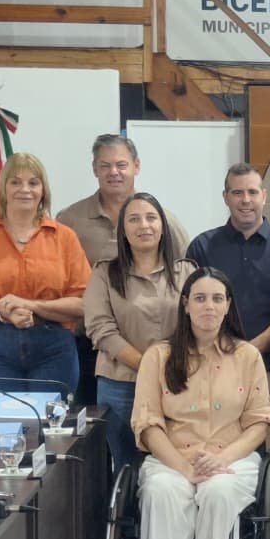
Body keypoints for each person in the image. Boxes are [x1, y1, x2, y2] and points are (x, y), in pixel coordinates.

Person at [131, 267, 270, 539]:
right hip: (171, 457)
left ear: (228, 306)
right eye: (199, 298)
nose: (208, 306)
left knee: (218, 491)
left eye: (216, 298)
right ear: (185, 305)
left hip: (232, 457)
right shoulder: (158, 357)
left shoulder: (246, 357)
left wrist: (222, 459)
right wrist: (182, 466)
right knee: (162, 492)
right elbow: (147, 424)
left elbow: (259, 422)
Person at [59, 135, 191, 406]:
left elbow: (187, 278)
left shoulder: (164, 220)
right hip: (92, 346)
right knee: (95, 436)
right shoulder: (70, 220)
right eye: (105, 165)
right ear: (95, 169)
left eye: (121, 164)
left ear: (136, 166)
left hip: (165, 354)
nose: (114, 172)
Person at [0, 152, 90, 397]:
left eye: (33, 182)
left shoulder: (64, 237)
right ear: (3, 189)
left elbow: (83, 304)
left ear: (43, 190)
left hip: (53, 347)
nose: (25, 189)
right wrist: (2, 313)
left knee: (49, 427)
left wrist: (30, 305)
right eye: (15, 182)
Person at [186, 162, 270, 454]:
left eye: (252, 192)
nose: (246, 200)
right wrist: (228, 357)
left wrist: (247, 351)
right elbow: (191, 308)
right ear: (225, 197)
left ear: (264, 196)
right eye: (237, 193)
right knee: (217, 454)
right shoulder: (202, 247)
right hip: (211, 370)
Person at [84, 192, 195, 473]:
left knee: (174, 464)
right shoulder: (104, 274)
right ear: (123, 230)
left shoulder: (187, 273)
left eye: (151, 218)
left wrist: (171, 367)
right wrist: (150, 366)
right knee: (127, 468)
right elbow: (101, 330)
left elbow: (201, 325)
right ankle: (127, 519)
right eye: (133, 219)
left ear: (163, 227)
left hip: (180, 381)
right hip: (121, 384)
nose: (143, 225)